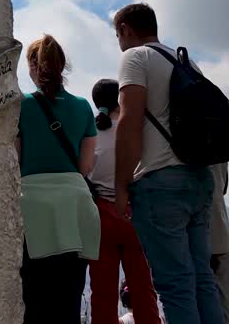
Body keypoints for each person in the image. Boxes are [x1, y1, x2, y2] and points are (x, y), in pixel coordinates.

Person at [112, 3, 220, 324]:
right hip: (199, 180)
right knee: (202, 280)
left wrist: (120, 184)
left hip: (160, 183)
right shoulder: (189, 63)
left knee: (175, 284)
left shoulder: (135, 58)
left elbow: (129, 123)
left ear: (125, 30)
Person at [16, 34, 100, 323]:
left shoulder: (20, 106)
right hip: (75, 208)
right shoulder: (83, 107)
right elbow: (85, 166)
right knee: (68, 300)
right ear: (62, 66)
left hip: (33, 208)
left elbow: (14, 162)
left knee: (33, 299)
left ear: (31, 65)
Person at [88, 78, 163, 324]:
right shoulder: (135, 130)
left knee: (102, 291)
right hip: (135, 214)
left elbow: (85, 170)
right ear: (120, 99)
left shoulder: (91, 132)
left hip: (100, 217)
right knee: (143, 288)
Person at [209, 163, 229, 324]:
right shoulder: (222, 137)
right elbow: (223, 186)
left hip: (193, 236)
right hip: (219, 234)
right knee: (225, 302)